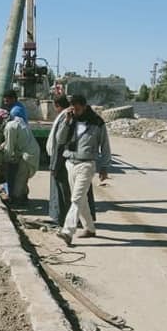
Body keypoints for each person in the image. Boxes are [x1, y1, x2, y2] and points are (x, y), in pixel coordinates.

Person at [55, 94, 111, 244]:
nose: (76, 111)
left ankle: (68, 231)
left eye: (78, 108)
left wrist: (104, 167)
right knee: (81, 199)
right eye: (74, 108)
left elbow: (105, 146)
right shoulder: (70, 120)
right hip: (70, 163)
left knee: (76, 198)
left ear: (85, 107)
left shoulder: (97, 123)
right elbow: (60, 140)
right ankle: (90, 228)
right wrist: (66, 122)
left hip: (86, 164)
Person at [46, 95, 96, 226]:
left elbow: (61, 144)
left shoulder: (70, 119)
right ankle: (81, 223)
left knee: (69, 194)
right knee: (77, 194)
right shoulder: (67, 117)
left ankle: (69, 222)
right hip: (70, 161)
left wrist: (55, 165)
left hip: (68, 161)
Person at [0, 107, 40, 206]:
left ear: (2, 119)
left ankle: (17, 200)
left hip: (27, 155)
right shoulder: (18, 120)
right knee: (23, 177)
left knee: (19, 178)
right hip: (33, 150)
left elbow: (9, 149)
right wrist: (3, 145)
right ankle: (23, 197)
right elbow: (13, 140)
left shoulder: (10, 127)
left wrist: (3, 163)